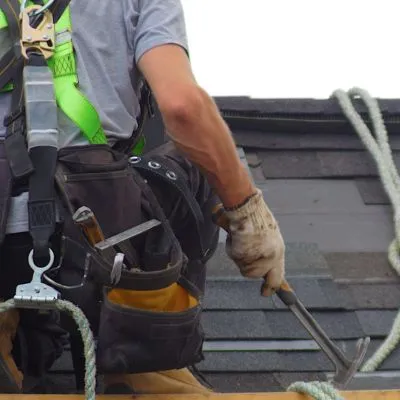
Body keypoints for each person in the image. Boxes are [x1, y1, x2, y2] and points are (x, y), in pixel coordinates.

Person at [0, 0, 285, 395]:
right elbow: (183, 107)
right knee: (194, 160)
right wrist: (246, 207)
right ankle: (147, 357)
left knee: (32, 336)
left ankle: (15, 341)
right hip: (90, 222)